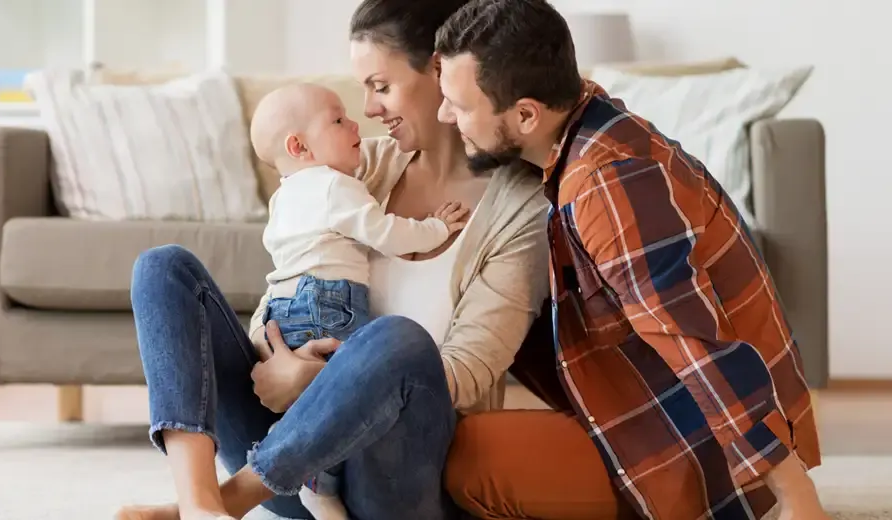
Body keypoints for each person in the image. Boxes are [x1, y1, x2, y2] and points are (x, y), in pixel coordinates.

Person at [115, 0, 550, 518]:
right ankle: (197, 503)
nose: (366, 110)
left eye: (380, 86)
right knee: (164, 269)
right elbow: (292, 281)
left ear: (442, 73)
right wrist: (274, 356)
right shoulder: (356, 164)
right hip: (297, 463)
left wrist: (322, 382)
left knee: (398, 338)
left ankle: (232, 500)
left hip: (399, 478)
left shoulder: (521, 207)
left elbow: (467, 372)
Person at [431, 1, 827, 519]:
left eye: (459, 106)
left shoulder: (605, 184)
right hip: (654, 410)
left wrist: (795, 495)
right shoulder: (584, 127)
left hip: (702, 448)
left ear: (526, 114)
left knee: (473, 461)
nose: (444, 117)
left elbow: (694, 343)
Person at [245, 82, 472, 519]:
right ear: (299, 145)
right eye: (338, 120)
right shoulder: (333, 186)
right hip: (327, 304)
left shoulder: (283, 199)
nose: (356, 124)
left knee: (314, 401)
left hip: (283, 306)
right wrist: (436, 229)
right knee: (347, 399)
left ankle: (293, 459)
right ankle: (317, 484)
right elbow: (386, 232)